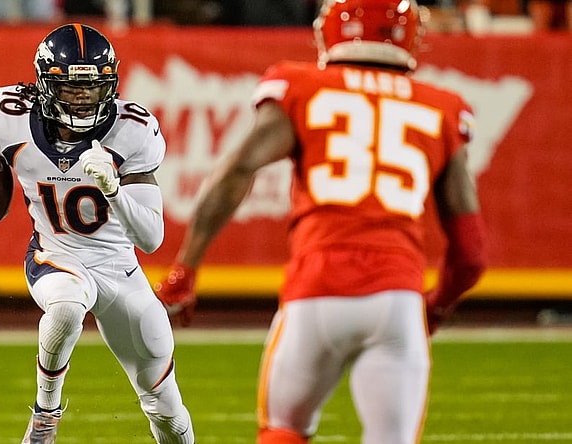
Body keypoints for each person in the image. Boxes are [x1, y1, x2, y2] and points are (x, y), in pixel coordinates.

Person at [154, 0, 487, 443]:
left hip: (315, 291)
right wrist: (437, 306)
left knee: (283, 430)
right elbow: (471, 254)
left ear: (331, 30)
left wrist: (186, 268)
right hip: (397, 298)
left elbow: (237, 170)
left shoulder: (302, 86)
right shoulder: (442, 107)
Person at [0, 23, 194, 444]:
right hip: (55, 254)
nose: (83, 97)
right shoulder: (11, 117)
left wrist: (113, 190)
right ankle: (45, 417)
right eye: (71, 87)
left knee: (165, 408)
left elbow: (151, 239)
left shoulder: (131, 129)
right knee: (66, 307)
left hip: (120, 269)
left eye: (93, 87)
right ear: (45, 84)